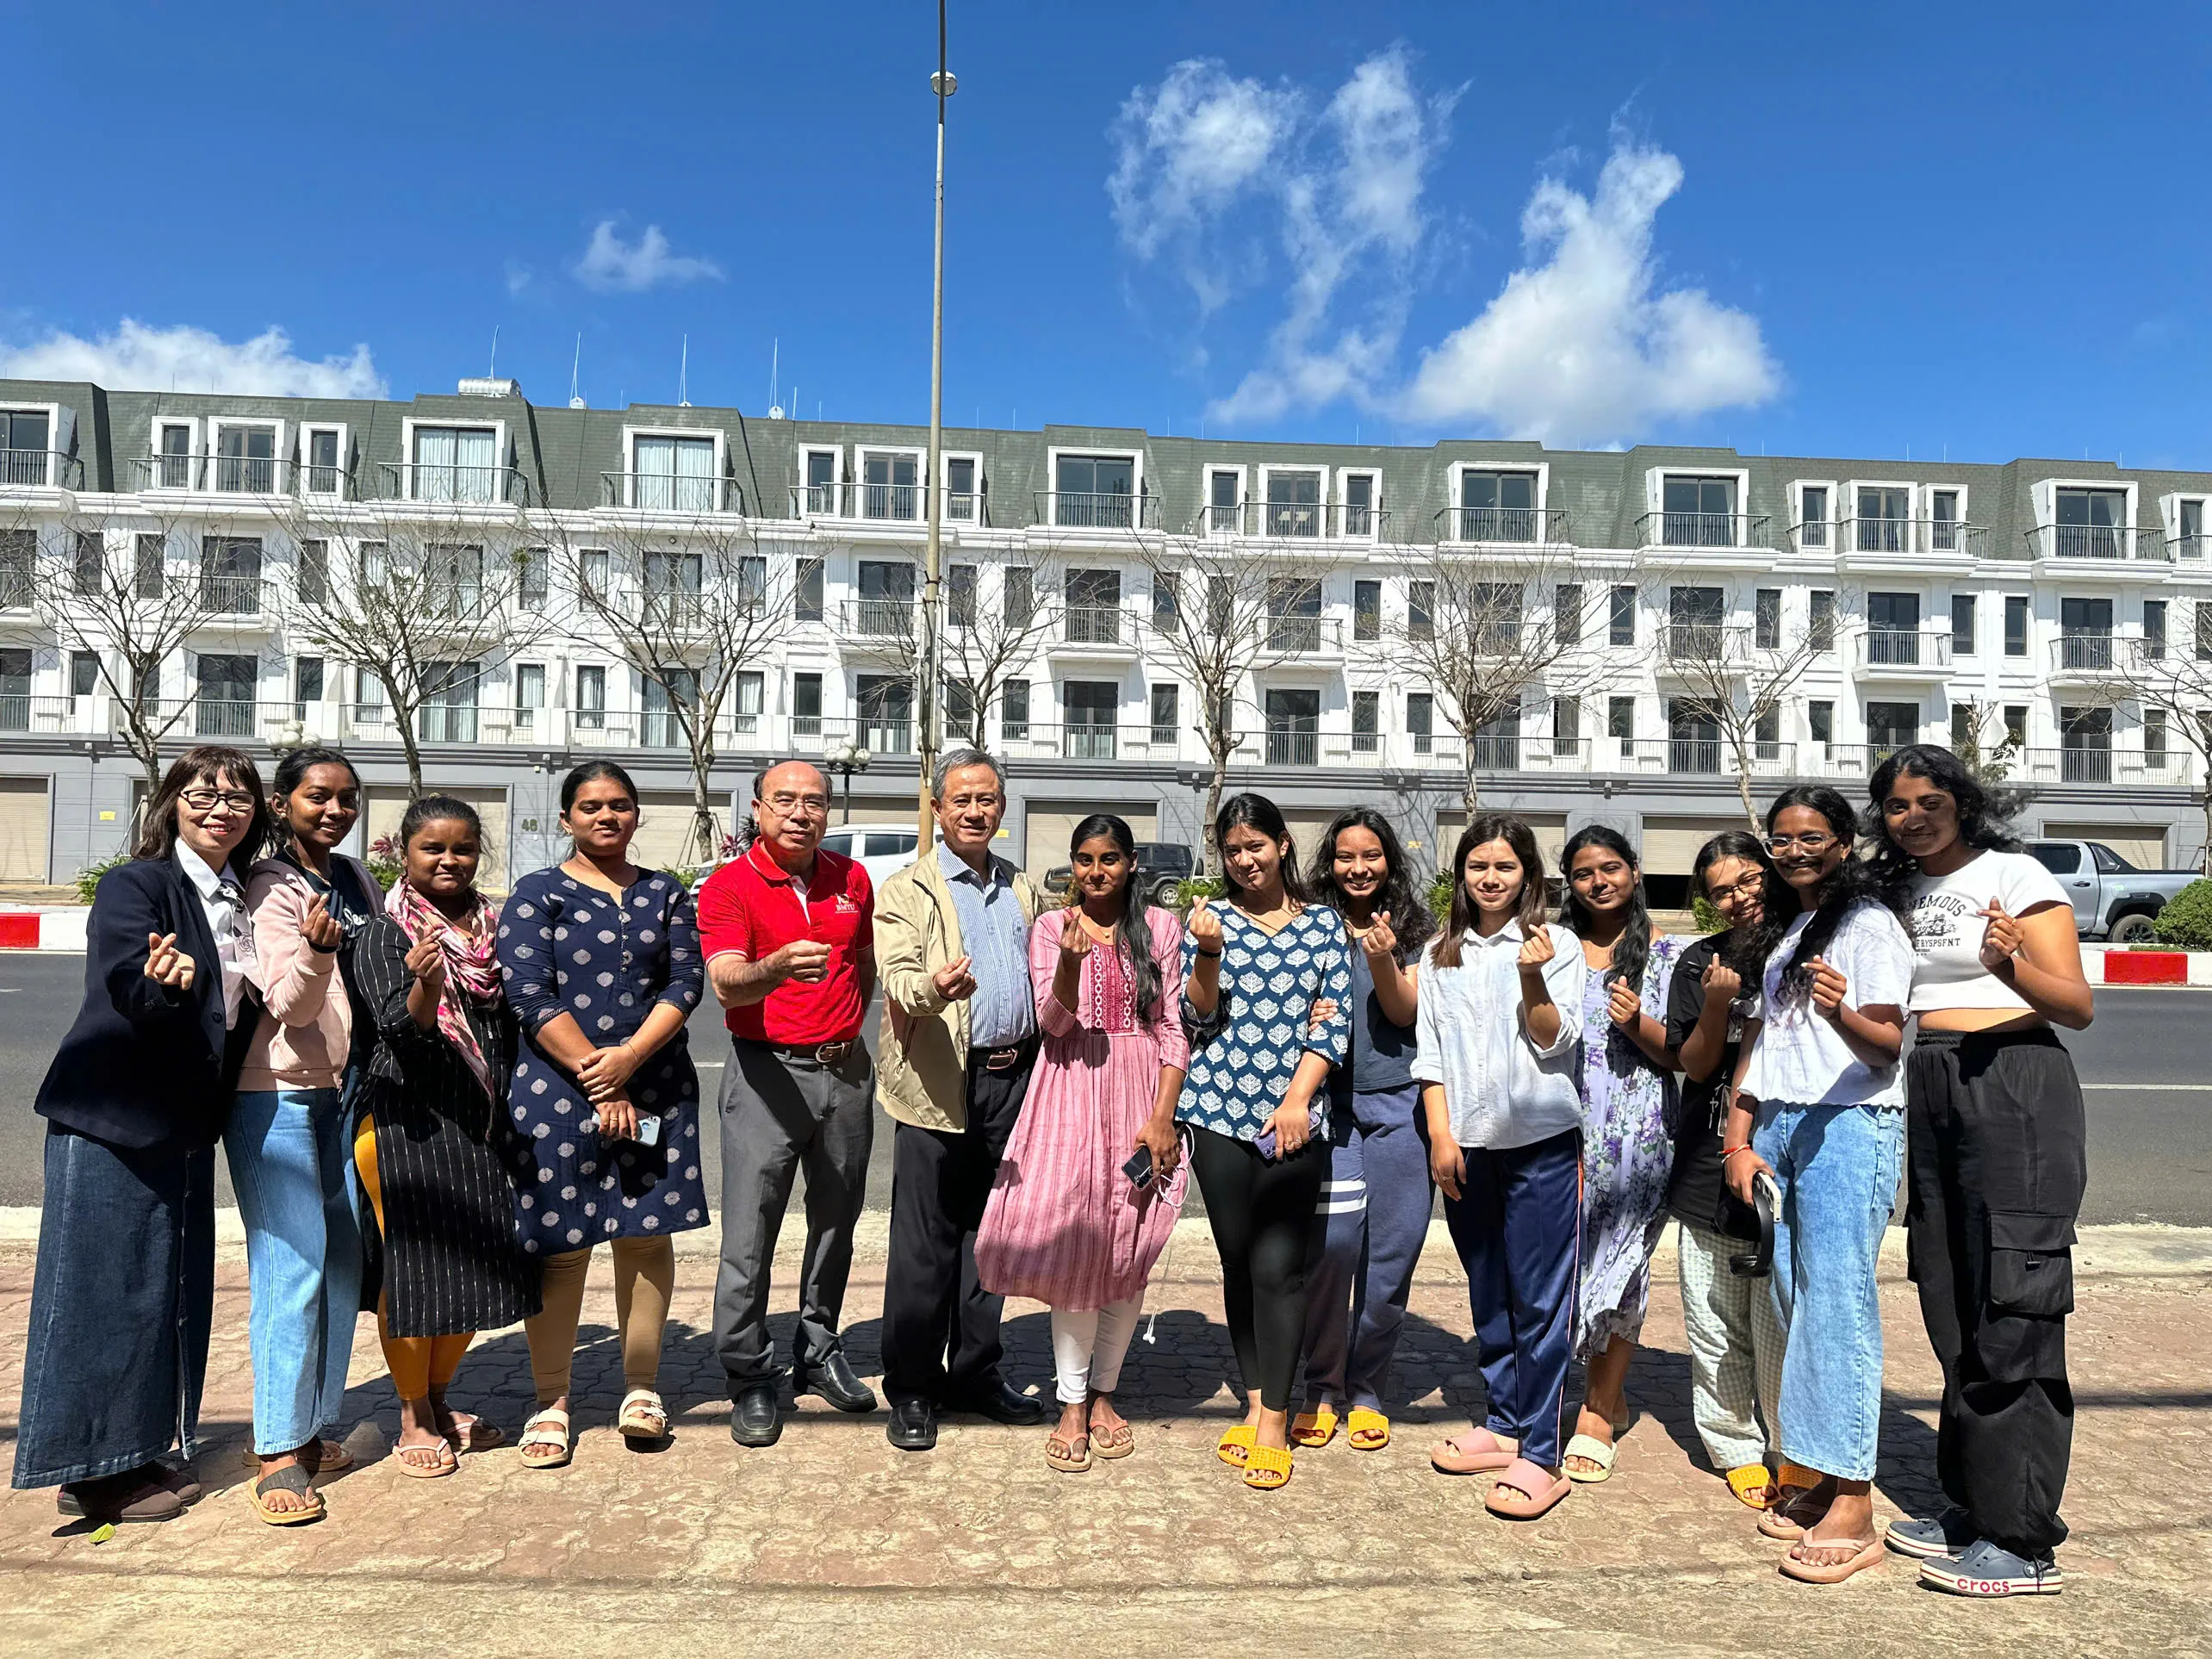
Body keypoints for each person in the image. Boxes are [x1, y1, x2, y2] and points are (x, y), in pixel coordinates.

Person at [13, 747, 270, 1524]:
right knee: (103, 1291)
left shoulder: (237, 896)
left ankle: (142, 1447)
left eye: (238, 798)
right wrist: (157, 983)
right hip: (114, 1118)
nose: (221, 808)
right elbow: (125, 977)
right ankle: (89, 1471)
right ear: (170, 803)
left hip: (183, 1126)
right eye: (203, 794)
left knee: (166, 1291)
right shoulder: (141, 884)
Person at [1867, 744, 2093, 1598]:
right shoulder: (1901, 891)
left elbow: (2077, 1004)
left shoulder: (2015, 875)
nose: (1915, 815)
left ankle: (2024, 1541)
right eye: (1896, 805)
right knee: (1951, 1294)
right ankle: (1972, 1503)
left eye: (1931, 800)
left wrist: (2010, 967)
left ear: (1962, 802)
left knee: (2014, 1297)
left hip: (2015, 1076)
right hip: (1933, 1077)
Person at [1724, 786, 1916, 1584]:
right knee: (1790, 1304)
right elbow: (1766, 1043)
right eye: (1781, 839)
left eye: (1811, 836)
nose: (1795, 850)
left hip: (1848, 1126)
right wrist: (1739, 1132)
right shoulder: (1791, 930)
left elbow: (1884, 1048)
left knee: (1836, 1305)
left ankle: (1856, 1503)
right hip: (1782, 1127)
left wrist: (1841, 1011)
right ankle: (1821, 1472)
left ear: (1843, 841)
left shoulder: (1870, 927)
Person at [500, 762, 707, 1469]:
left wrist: (631, 1060)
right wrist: (600, 1074)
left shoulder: (666, 894)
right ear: (566, 820)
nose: (606, 818)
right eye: (590, 807)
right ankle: (551, 1398)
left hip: (654, 1084)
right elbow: (527, 993)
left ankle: (641, 1389)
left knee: (645, 1237)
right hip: (557, 1093)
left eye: (620, 806)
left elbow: (686, 980)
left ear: (637, 815)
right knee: (562, 1246)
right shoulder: (537, 894)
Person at [975, 813, 1190, 1471]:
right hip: (1068, 1090)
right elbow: (1055, 1023)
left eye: (1110, 859)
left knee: (1128, 1250)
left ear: (1131, 864)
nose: (1096, 872)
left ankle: (1104, 1394)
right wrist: (1069, 959)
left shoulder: (1160, 928)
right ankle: (1070, 1400)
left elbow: (1173, 1028)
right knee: (1074, 1246)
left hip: (1138, 1094)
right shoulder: (1049, 928)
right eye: (1085, 860)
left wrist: (1161, 1118)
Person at [351, 794, 538, 1480]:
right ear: (405, 852)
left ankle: (438, 1396)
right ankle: (412, 1416)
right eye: (433, 848)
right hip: (407, 1125)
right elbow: (401, 1035)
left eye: (462, 848)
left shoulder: (495, 929)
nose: (449, 860)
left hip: (481, 1124)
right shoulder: (383, 933)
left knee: (469, 1275)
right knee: (415, 1275)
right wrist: (425, 985)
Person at [699, 760, 879, 1449]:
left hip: (845, 1071)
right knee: (750, 1234)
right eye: (786, 801)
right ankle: (749, 1374)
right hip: (765, 1072)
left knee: (837, 1220)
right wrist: (773, 969)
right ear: (758, 807)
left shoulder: (851, 878)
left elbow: (861, 963)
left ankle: (819, 1346)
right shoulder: (727, 886)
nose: (801, 813)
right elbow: (726, 985)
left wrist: (851, 1035)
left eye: (816, 802)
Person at [876, 748, 1049, 1451]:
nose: (975, 811)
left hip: (1016, 1082)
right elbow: (898, 976)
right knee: (925, 1246)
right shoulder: (906, 892)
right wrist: (933, 989)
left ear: (1001, 808)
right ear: (939, 810)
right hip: (938, 1084)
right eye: (961, 801)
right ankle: (914, 1389)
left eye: (987, 800)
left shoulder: (1023, 889)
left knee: (992, 1239)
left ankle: (977, 1373)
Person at [1178, 792, 1350, 1493]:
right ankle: (1253, 1400)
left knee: (1280, 1267)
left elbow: (1330, 1028)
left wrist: (1296, 1101)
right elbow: (1198, 1012)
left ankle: (1277, 1418)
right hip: (1217, 1111)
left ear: (1282, 845)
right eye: (1233, 849)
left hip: (1295, 1117)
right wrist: (1210, 954)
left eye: (1257, 845)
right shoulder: (1212, 920)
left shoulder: (1324, 926)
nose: (1246, 859)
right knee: (1237, 1261)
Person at [1418, 816, 1587, 1521]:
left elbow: (1556, 1041)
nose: (1490, 878)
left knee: (1540, 1298)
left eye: (1506, 867)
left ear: (1529, 877)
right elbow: (1430, 1052)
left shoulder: (1558, 945)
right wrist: (1439, 1134)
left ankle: (1541, 1454)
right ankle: (1503, 1419)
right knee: (1488, 1290)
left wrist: (1531, 976)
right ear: (1461, 876)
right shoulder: (1438, 954)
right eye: (1478, 866)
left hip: (1541, 1143)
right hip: (1469, 1146)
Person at [230, 746, 374, 1521]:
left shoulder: (351, 880)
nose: (336, 810)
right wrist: (319, 950)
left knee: (341, 1266)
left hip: (342, 1095)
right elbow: (287, 1003)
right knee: (292, 1270)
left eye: (348, 798)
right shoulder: (269, 887)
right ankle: (278, 1451)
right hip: (275, 1095)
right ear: (282, 802)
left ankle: (312, 1429)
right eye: (319, 796)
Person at [1664, 831, 1803, 1512]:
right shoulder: (1697, 962)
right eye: (1722, 889)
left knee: (1780, 1316)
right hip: (1704, 1161)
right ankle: (1735, 1445)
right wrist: (1717, 1002)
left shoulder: (1805, 943)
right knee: (1715, 1320)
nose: (1739, 897)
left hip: (1784, 1154)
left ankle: (1787, 1445)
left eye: (1749, 880)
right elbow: (1693, 1064)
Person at [1290, 807, 1434, 1454]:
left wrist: (1382, 961)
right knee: (1336, 1246)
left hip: (1399, 1106)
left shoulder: (1417, 933)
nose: (1357, 868)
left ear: (1389, 861)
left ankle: (1367, 1386)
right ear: (1330, 863)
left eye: (1370, 855)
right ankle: (1321, 1384)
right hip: (1330, 1110)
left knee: (1392, 1256)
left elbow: (1405, 1014)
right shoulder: (1308, 924)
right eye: (1345, 857)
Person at [1559, 825, 1683, 1483]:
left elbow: (1684, 1057)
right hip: (1559, 1127)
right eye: (1584, 873)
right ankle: (1607, 1390)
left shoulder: (1667, 954)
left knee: (1623, 1267)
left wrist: (1636, 1020)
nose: (1599, 882)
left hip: (1636, 1129)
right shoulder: (1551, 950)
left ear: (1634, 873)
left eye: (1610, 868)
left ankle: (1599, 1411)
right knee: (1572, 1265)